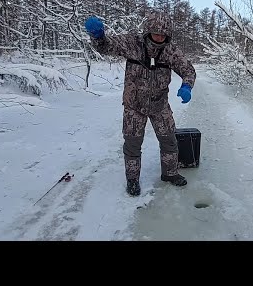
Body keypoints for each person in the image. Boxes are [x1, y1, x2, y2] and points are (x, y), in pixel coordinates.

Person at [84, 11, 196, 196]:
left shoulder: (170, 51)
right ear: (147, 31)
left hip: (160, 104)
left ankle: (170, 173)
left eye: (163, 34)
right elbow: (107, 46)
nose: (159, 37)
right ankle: (133, 180)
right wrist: (99, 36)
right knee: (132, 144)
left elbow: (188, 70)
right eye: (155, 33)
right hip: (134, 105)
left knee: (169, 141)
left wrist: (187, 86)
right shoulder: (132, 43)